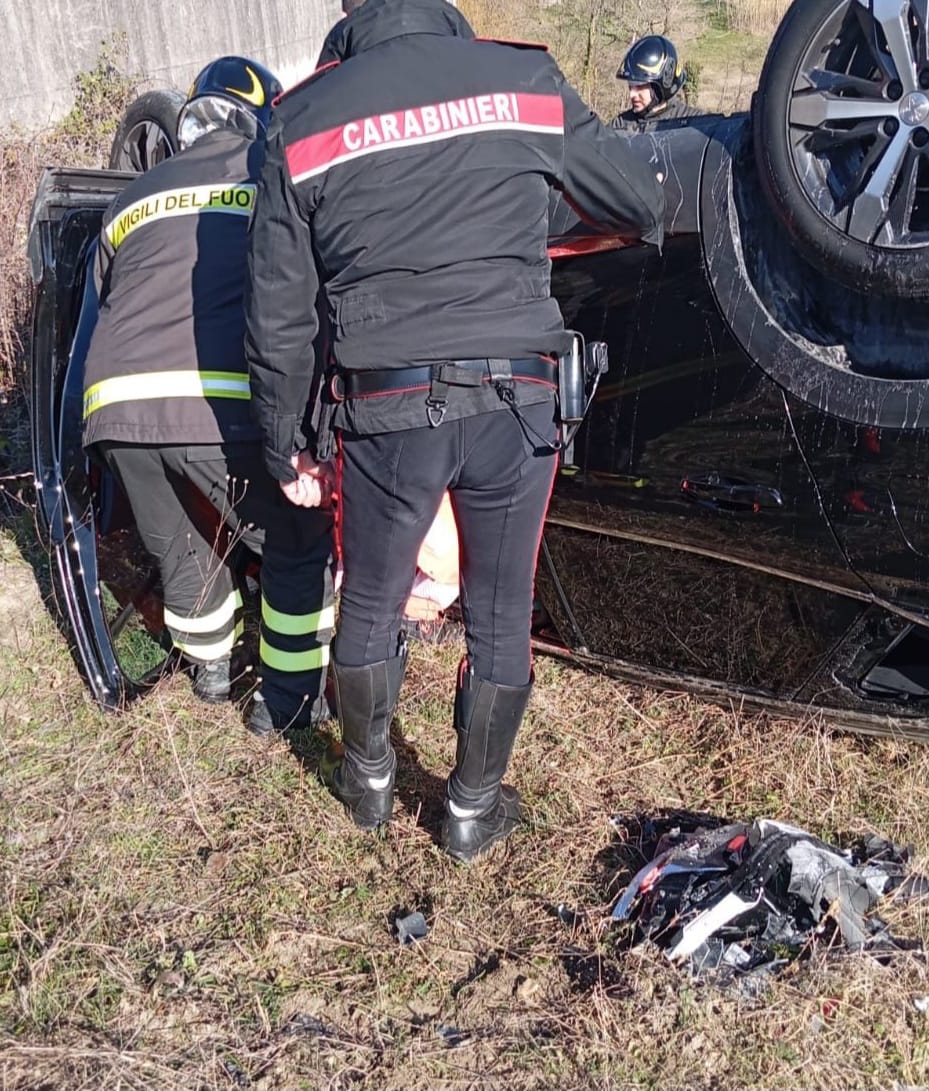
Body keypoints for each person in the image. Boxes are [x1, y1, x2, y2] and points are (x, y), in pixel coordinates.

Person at [244, 0, 665, 861]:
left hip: (386, 404)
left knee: (370, 598)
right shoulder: (523, 78)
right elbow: (636, 201)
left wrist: (286, 438)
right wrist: (521, 213)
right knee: (501, 608)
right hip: (518, 396)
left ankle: (367, 783)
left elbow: (279, 312)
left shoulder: (302, 120)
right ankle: (471, 810)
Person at [81, 56, 335, 735]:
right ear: (266, 116)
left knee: (185, 545)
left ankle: (212, 672)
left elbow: (101, 298)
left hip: (116, 409)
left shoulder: (134, 194)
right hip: (220, 406)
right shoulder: (272, 173)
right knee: (294, 540)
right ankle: (288, 701)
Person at [611, 35, 701, 132]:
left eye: (639, 86)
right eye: (630, 86)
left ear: (661, 87)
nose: (632, 94)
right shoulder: (619, 126)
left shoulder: (697, 125)